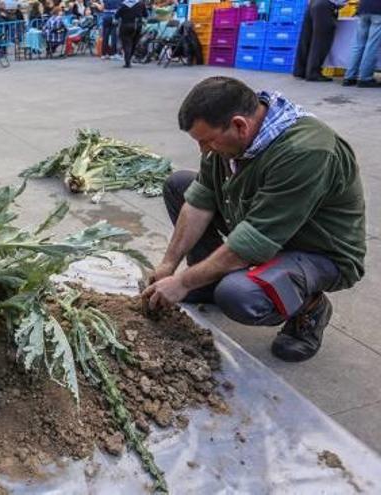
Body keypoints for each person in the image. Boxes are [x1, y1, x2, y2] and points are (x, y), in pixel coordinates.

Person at [144, 77, 365, 363]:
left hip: (317, 251)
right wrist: (168, 266)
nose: (204, 150)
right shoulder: (229, 144)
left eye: (208, 140)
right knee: (179, 186)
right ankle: (206, 282)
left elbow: (253, 242)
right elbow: (199, 203)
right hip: (261, 224)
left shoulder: (306, 152)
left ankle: (309, 307)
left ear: (239, 125)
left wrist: (183, 283)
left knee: (239, 294)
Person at [294, 0, 347, 81]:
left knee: (306, 39)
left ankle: (300, 70)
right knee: (320, 41)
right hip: (325, 6)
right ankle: (313, 73)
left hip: (312, 4)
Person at [342, 0, 381, 87]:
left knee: (358, 45)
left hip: (363, 9)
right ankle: (365, 78)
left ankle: (349, 77)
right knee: (372, 45)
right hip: (378, 11)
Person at [116, 0, 147, 67]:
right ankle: (129, 58)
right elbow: (145, 15)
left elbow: (117, 15)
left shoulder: (123, 5)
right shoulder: (141, 4)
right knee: (134, 43)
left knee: (126, 44)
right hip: (137, 26)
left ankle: (127, 62)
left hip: (125, 26)